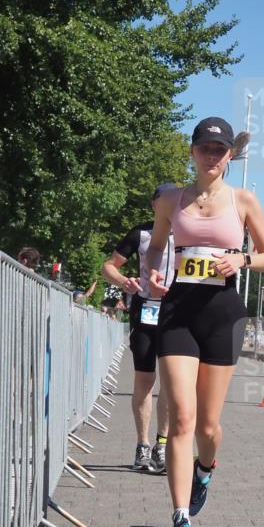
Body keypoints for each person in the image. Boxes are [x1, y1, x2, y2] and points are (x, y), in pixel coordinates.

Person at [146, 117, 264, 527]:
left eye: (220, 150)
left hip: (223, 314)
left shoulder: (244, 201)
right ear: (193, 152)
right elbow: (157, 246)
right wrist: (150, 273)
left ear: (229, 156)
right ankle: (180, 520)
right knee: (181, 415)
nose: (212, 156)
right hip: (179, 311)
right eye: (205, 148)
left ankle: (206, 466)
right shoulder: (170, 199)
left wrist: (241, 260)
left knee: (208, 425)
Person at [102, 183, 178, 474]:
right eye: (165, 200)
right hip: (145, 309)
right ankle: (142, 444)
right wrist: (123, 282)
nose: (171, 205)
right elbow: (109, 266)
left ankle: (162, 445)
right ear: (154, 204)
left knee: (172, 383)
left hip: (176, 314)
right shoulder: (140, 233)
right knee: (145, 380)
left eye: (176, 200)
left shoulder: (187, 236)